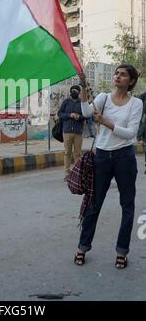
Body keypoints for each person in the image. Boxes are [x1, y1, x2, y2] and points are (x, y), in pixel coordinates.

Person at [74, 64, 143, 269]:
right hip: (102, 156)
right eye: (117, 73)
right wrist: (83, 85)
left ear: (131, 81)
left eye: (123, 75)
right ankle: (82, 247)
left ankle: (122, 251)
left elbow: (130, 133)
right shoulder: (103, 97)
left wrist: (105, 122)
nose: (118, 77)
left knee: (127, 206)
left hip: (124, 157)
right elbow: (86, 111)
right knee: (94, 203)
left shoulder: (135, 103)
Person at [58, 85, 85, 182]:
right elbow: (60, 114)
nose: (74, 92)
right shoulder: (66, 102)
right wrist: (70, 115)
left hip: (78, 131)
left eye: (76, 90)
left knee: (77, 153)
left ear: (79, 92)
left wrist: (79, 117)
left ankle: (77, 174)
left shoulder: (82, 103)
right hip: (67, 131)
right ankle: (67, 173)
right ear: (70, 92)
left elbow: (86, 115)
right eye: (72, 90)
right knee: (67, 153)